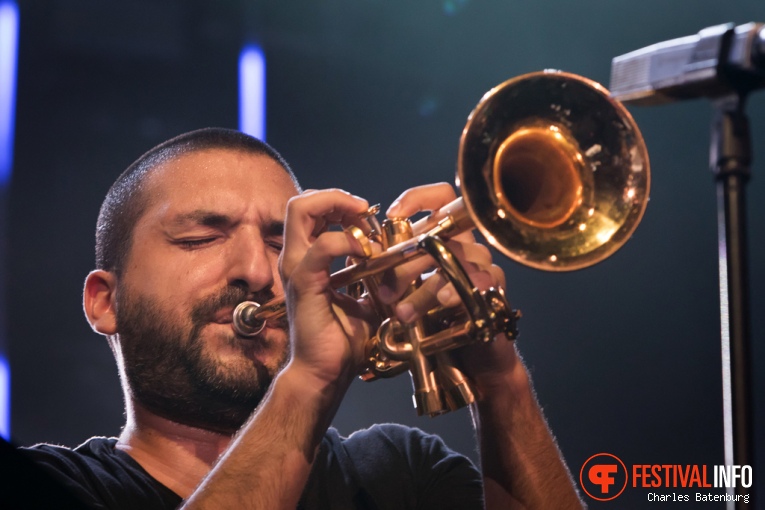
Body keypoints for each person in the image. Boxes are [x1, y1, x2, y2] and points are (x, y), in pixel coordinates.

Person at [21, 127, 584, 509]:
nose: (257, 271)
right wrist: (307, 383)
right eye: (200, 238)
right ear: (105, 302)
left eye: (278, 241)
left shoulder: (398, 472)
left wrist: (498, 377)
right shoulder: (45, 486)